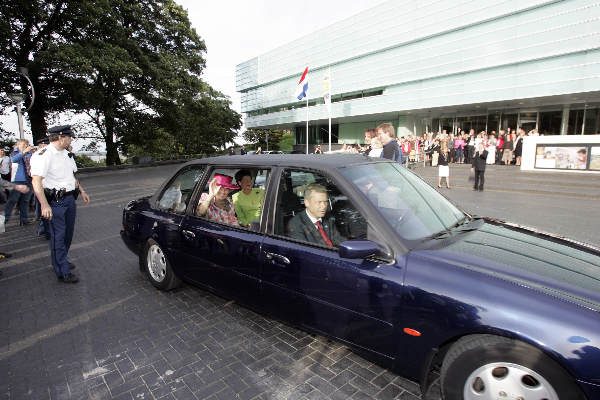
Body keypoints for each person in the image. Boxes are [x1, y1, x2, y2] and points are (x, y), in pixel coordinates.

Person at [30, 125, 90, 284]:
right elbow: (36, 182)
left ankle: (61, 258)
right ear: (61, 137)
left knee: (68, 234)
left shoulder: (67, 154)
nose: (71, 140)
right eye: (69, 137)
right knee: (59, 235)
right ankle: (62, 270)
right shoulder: (43, 155)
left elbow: (71, 176)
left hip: (70, 199)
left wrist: (82, 191)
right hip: (55, 202)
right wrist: (44, 205)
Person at [3, 139, 35, 225]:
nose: (25, 146)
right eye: (24, 144)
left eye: (27, 144)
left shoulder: (29, 153)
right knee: (12, 200)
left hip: (28, 179)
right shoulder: (14, 152)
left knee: (25, 200)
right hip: (17, 180)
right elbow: (13, 160)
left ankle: (24, 220)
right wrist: (23, 152)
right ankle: (4, 219)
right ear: (18, 145)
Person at [31, 137, 51, 239]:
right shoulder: (37, 156)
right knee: (44, 209)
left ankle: (45, 230)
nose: (44, 146)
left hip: (49, 187)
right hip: (42, 186)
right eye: (42, 145)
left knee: (46, 210)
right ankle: (46, 231)